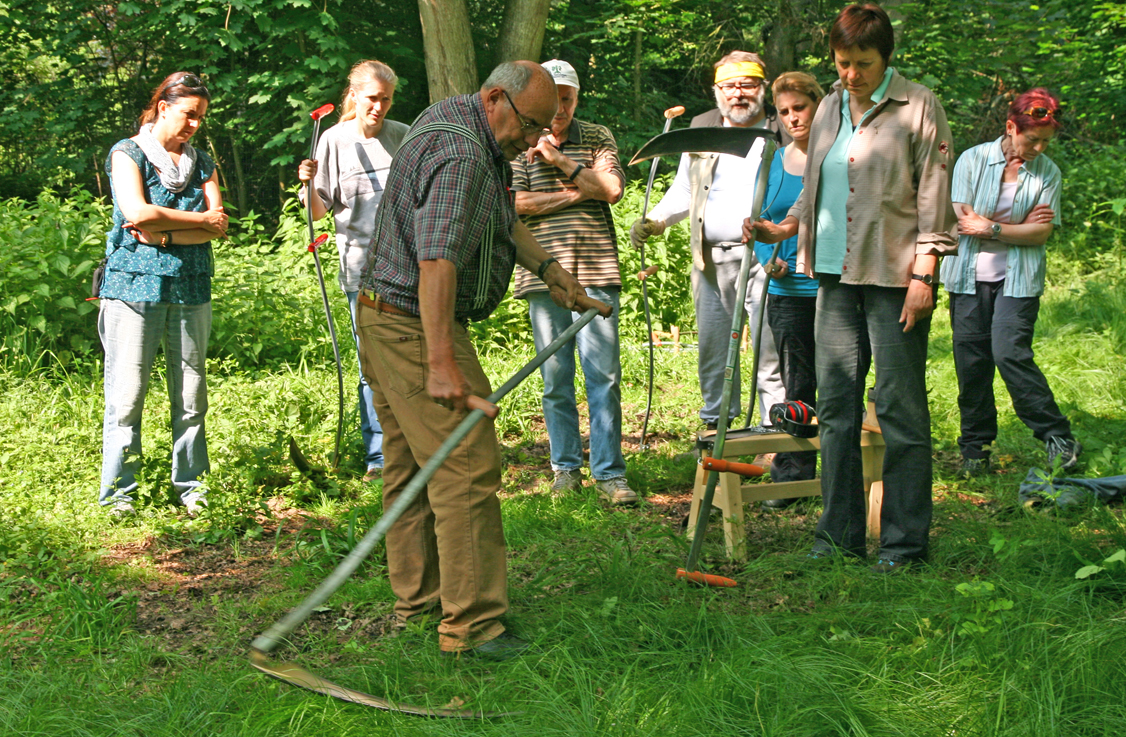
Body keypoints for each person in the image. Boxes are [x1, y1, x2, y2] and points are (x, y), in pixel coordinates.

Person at [355, 61, 603, 659]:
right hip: (414, 326)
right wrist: (442, 364)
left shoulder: (455, 118)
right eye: (529, 124)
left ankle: (419, 600)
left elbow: (502, 219)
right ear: (496, 98)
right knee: (465, 467)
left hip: (381, 314)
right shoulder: (464, 156)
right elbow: (437, 259)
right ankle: (471, 628)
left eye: (544, 127)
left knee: (412, 466)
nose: (532, 140)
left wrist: (555, 274)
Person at [752, 4, 957, 571]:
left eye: (862, 63)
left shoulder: (918, 106)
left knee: (899, 411)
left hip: (895, 279)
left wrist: (925, 272)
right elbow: (815, 187)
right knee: (836, 407)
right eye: (842, 63)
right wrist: (784, 226)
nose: (850, 75)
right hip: (832, 279)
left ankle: (904, 544)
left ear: (885, 57)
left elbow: (933, 193)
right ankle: (837, 535)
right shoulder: (827, 110)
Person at [630, 51, 788, 433]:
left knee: (770, 352)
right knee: (713, 351)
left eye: (747, 85)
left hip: (765, 258)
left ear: (762, 88)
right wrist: (656, 220)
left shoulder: (780, 130)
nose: (738, 93)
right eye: (729, 86)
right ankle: (717, 427)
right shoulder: (702, 129)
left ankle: (774, 433)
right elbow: (685, 189)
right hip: (708, 260)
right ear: (717, 91)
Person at [98, 72, 228, 518]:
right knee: (127, 396)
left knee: (192, 396)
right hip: (132, 287)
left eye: (200, 118)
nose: (194, 124)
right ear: (163, 106)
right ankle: (119, 496)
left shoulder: (203, 162)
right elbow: (136, 212)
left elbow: (219, 223)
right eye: (189, 114)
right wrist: (192, 226)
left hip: (192, 287)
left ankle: (191, 488)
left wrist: (163, 233)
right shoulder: (127, 153)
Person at [509, 59, 636, 504]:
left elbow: (613, 190)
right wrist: (577, 190)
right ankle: (565, 469)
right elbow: (516, 204)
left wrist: (558, 159)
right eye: (553, 97)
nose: (560, 106)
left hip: (598, 270)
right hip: (542, 274)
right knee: (555, 378)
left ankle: (610, 474)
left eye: (567, 97)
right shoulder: (520, 137)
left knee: (604, 375)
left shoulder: (597, 136)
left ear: (577, 97)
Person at [939, 88, 1080, 475]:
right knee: (972, 364)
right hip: (966, 277)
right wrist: (1013, 227)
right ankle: (975, 449)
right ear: (1010, 127)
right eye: (1031, 138)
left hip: (1018, 280)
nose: (1037, 147)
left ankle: (1057, 436)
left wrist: (993, 227)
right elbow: (962, 219)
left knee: (1009, 352)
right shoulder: (973, 159)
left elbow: (1040, 234)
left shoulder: (1048, 173)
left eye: (1045, 141)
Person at [297, 60, 409, 481]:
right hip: (361, 267)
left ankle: (413, 445)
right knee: (371, 365)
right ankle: (379, 457)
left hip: (408, 265)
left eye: (385, 99)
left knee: (410, 357)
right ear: (355, 96)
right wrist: (307, 183)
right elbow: (319, 211)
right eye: (372, 98)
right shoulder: (333, 141)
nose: (378, 107)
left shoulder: (402, 135)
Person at [744, 71, 824, 508]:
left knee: (838, 380)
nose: (793, 118)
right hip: (785, 289)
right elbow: (758, 221)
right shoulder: (773, 161)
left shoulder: (837, 156)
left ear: (818, 105)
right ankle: (792, 475)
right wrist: (765, 258)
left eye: (800, 108)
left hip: (831, 287)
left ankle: (840, 469)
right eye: (785, 111)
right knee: (796, 385)